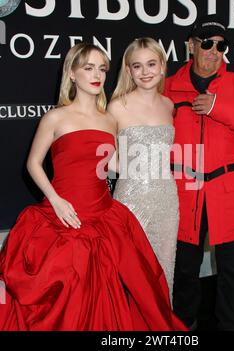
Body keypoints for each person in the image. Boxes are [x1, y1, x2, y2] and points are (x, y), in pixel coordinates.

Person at [0, 42, 187, 331]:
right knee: (68, 295)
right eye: (88, 68)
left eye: (101, 68)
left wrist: (152, 167)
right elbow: (33, 165)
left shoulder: (108, 119)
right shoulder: (56, 117)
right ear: (72, 74)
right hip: (64, 212)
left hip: (103, 213)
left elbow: (110, 164)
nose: (96, 74)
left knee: (114, 292)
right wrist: (56, 200)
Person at [164, 15, 234, 330]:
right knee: (185, 270)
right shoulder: (168, 87)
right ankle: (184, 326)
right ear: (191, 45)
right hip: (185, 195)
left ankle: (229, 326)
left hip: (230, 194)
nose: (214, 50)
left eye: (221, 45)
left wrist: (217, 106)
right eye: (207, 43)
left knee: (232, 270)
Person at [107, 38, 178, 300]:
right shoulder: (116, 107)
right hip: (130, 202)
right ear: (128, 70)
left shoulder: (169, 106)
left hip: (167, 201)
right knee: (129, 274)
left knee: (163, 269)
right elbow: (102, 156)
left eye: (151, 64)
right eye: (137, 66)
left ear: (162, 67)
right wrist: (132, 172)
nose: (145, 71)